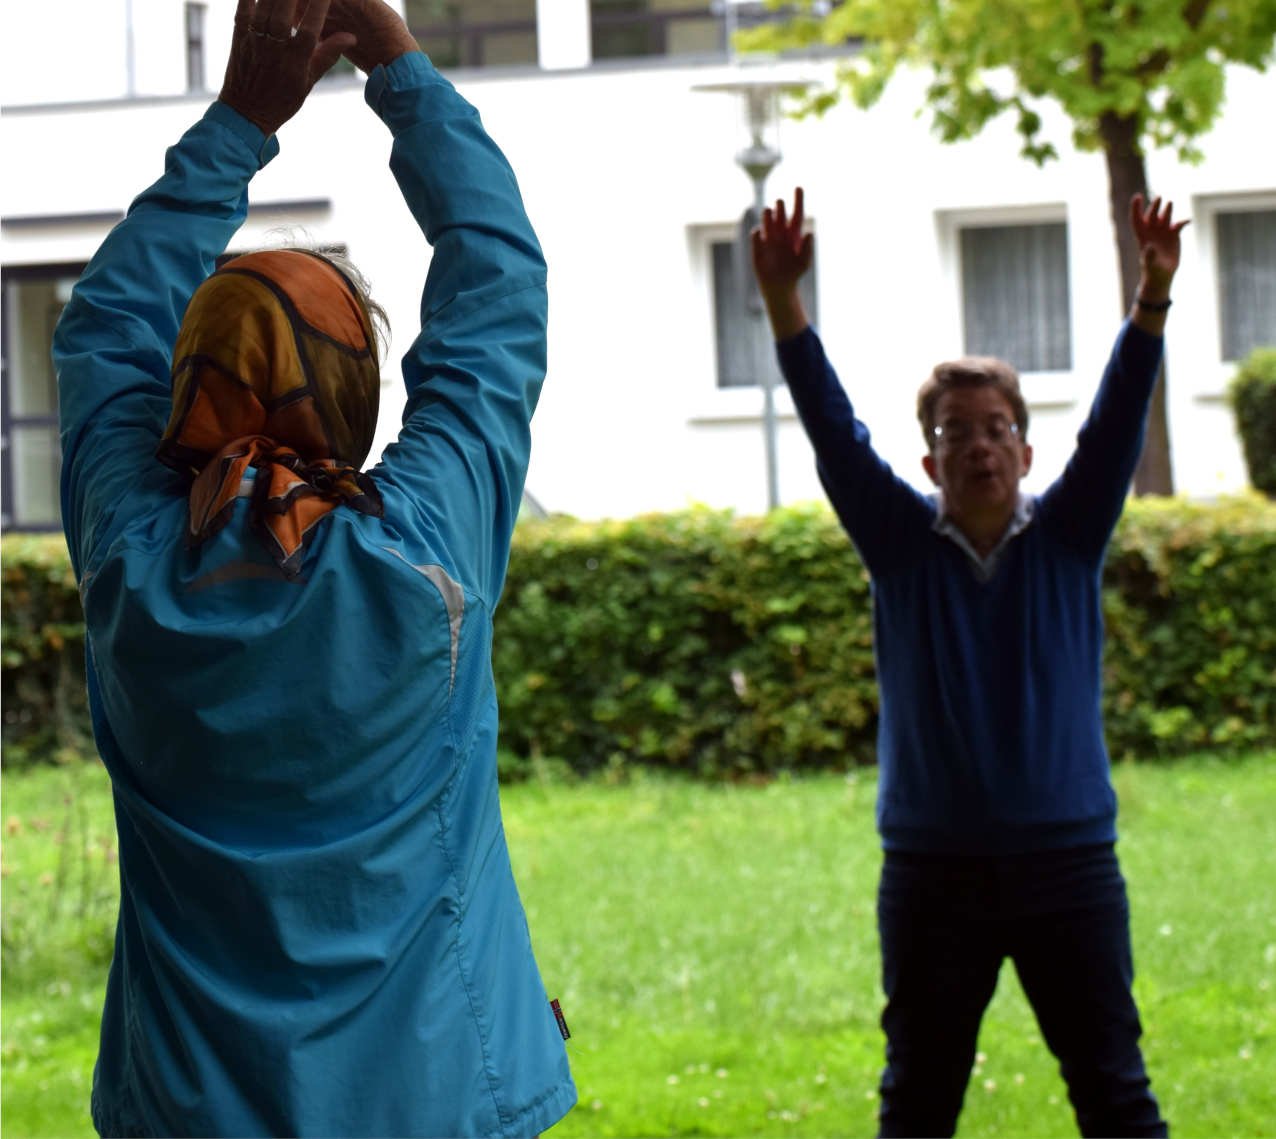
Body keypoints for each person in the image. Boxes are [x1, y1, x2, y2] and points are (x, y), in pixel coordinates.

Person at [52, 1, 576, 1134]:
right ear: (350, 401)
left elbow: (101, 334)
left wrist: (243, 116)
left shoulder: (130, 562)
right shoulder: (421, 551)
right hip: (437, 1099)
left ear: (184, 383)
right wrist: (397, 66)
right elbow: (497, 292)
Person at [751, 186, 1185, 1139]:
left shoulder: (1070, 535)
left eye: (996, 429)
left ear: (1027, 449)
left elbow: (1117, 422)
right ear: (929, 458)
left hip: (1070, 866)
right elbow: (832, 432)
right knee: (918, 1103)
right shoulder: (900, 543)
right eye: (957, 431)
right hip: (932, 874)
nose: (979, 445)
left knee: (1116, 1095)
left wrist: (1151, 298)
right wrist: (786, 303)